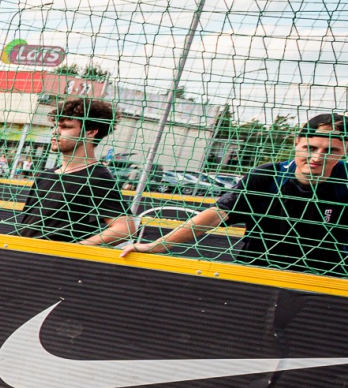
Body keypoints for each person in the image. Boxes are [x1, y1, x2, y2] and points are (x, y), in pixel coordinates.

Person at [124, 113, 347, 275]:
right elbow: (216, 214)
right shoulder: (267, 176)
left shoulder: (344, 183)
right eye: (311, 148)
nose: (318, 157)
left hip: (326, 278)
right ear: (297, 142)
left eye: (331, 150)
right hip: (259, 271)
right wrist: (156, 245)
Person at [14, 97, 134, 246]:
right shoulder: (47, 174)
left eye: (65, 127)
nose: (55, 132)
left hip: (52, 258)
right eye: (55, 126)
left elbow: (125, 228)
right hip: (21, 252)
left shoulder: (97, 177)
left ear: (91, 132)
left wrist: (78, 248)